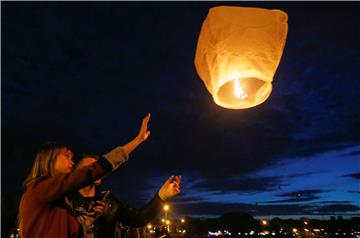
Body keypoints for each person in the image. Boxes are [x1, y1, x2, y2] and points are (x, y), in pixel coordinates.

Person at [18, 113, 152, 238]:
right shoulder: (38, 188)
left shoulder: (60, 200)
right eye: (67, 156)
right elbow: (94, 170)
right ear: (49, 159)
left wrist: (87, 222)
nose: (72, 161)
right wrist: (137, 140)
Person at [67, 154, 182, 238]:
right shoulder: (65, 200)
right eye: (91, 167)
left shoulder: (108, 200)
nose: (97, 170)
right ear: (77, 172)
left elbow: (138, 218)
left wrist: (161, 196)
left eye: (98, 167)